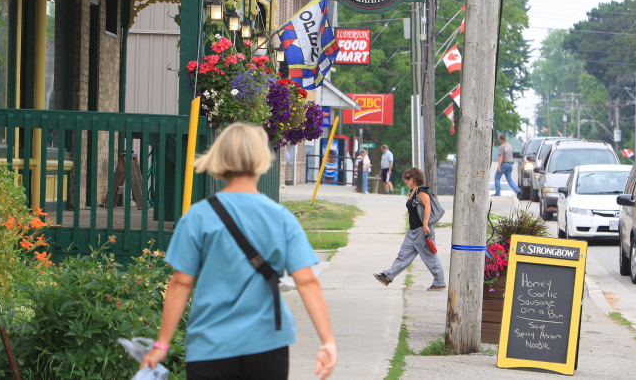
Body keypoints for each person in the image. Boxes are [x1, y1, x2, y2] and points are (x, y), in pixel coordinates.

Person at [140, 123, 338, 380]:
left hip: (210, 345)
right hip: (267, 341)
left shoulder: (198, 217)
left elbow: (180, 283)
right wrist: (327, 342)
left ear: (220, 157)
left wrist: (161, 345)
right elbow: (307, 281)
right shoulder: (280, 218)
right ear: (262, 158)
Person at [373, 167, 446, 291]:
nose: (406, 180)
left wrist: (425, 224)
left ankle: (440, 282)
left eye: (408, 178)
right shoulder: (412, 191)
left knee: (430, 257)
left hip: (422, 231)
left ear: (415, 178)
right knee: (403, 255)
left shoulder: (421, 191)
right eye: (405, 178)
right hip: (412, 231)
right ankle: (387, 276)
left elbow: (427, 207)